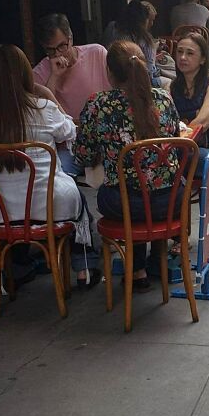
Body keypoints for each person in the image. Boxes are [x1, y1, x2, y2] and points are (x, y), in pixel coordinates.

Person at [0, 44, 100, 289]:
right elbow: (70, 132)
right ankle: (84, 269)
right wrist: (47, 96)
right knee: (79, 202)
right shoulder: (43, 109)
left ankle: (17, 268)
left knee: (16, 214)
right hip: (50, 205)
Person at [75, 41, 181, 292]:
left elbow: (83, 156)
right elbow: (175, 142)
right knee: (145, 190)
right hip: (170, 201)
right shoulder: (164, 99)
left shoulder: (97, 105)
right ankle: (154, 263)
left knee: (123, 191)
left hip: (123, 204)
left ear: (109, 72)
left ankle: (137, 270)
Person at [33, 13, 111, 124]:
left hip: (103, 126)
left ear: (70, 39)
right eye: (50, 50)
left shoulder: (97, 53)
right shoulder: (39, 72)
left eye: (62, 46)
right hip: (67, 134)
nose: (58, 54)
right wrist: (54, 76)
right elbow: (41, 114)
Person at [170, 32, 209, 164]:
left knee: (174, 159)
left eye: (190, 53)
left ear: (203, 59)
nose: (182, 57)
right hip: (183, 146)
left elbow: (202, 124)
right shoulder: (172, 86)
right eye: (179, 52)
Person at [115, 0, 162, 87]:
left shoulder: (114, 31)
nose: (151, 24)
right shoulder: (145, 40)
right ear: (144, 20)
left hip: (120, 79)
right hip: (142, 81)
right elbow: (149, 71)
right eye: (150, 20)